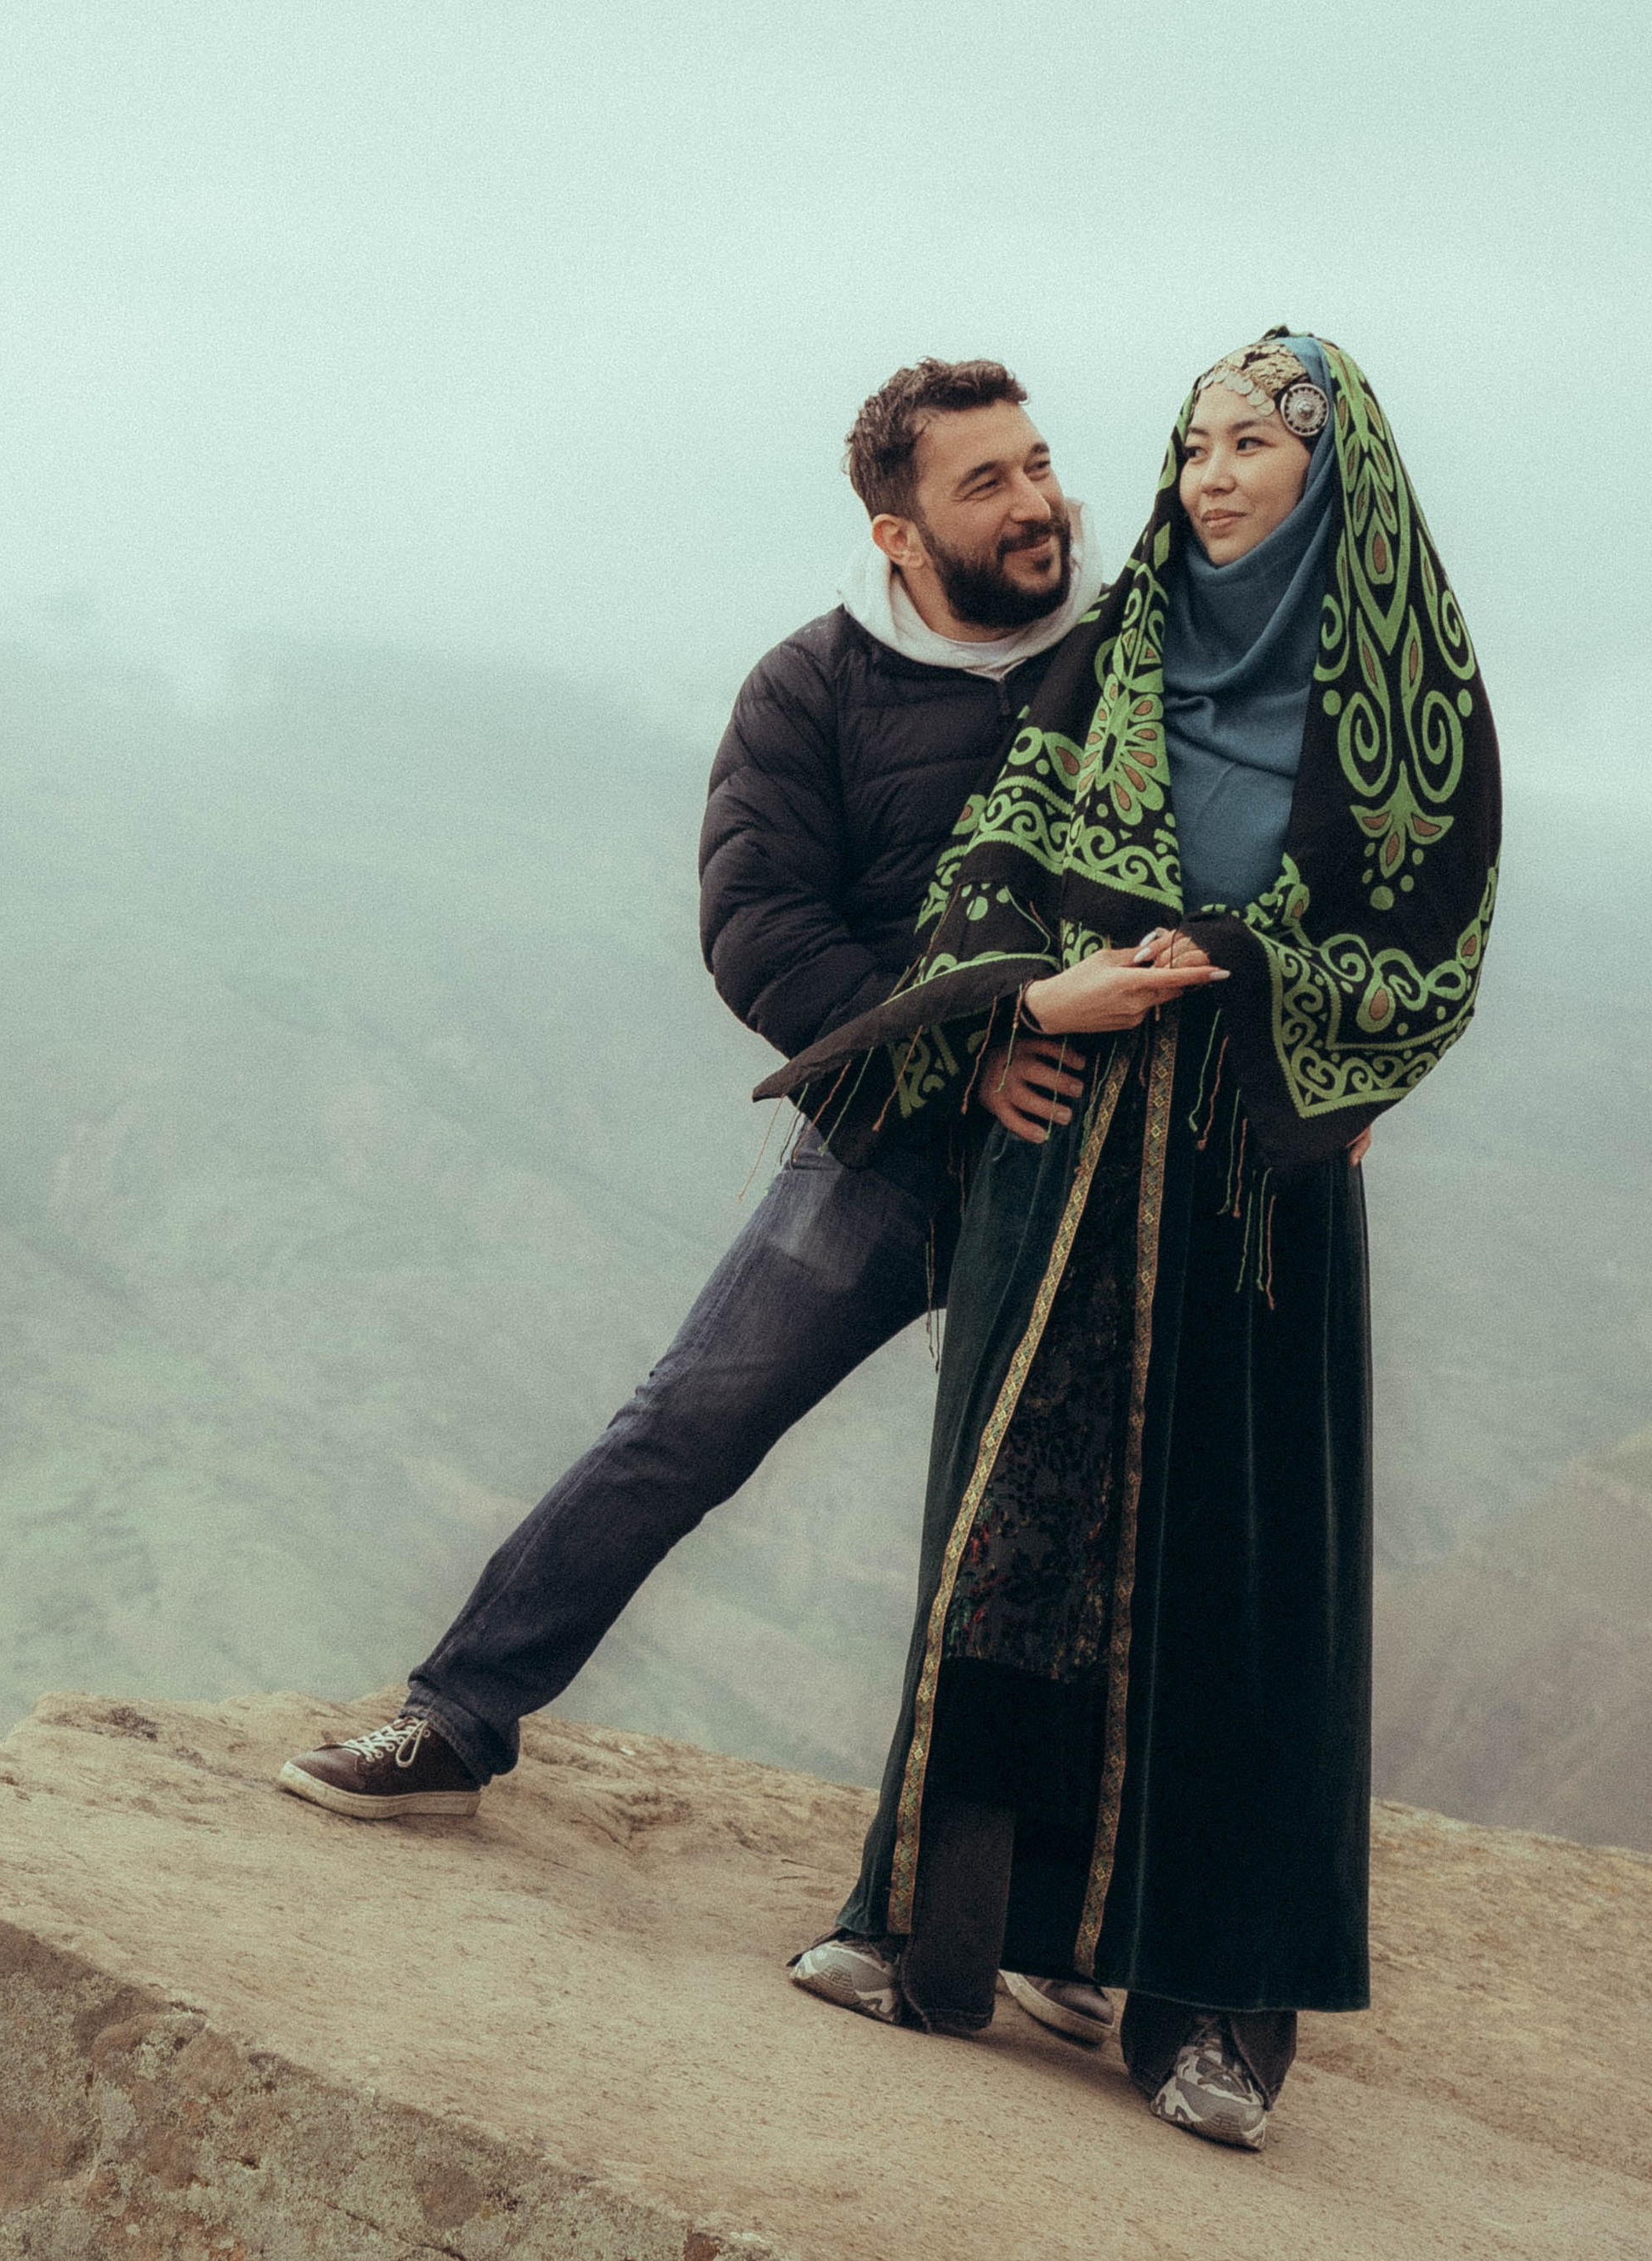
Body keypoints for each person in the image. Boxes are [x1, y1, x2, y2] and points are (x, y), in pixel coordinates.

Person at [777, 332, 1502, 2148]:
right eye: (1191, 445)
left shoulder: (1407, 695)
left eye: (1252, 443)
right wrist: (1026, 1004)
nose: (1208, 477)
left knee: (1232, 1590)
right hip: (1073, 1156)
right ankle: (932, 1934)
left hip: (1259, 1188)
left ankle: (1203, 2015)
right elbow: (990, 868)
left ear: (1333, 470)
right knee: (1014, 1546)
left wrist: (1258, 985)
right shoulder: (1114, 654)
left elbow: (1428, 955)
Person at [279, 355, 1101, 1819]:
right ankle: (457, 1721)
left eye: (1038, 465)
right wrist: (963, 1057)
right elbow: (760, 927)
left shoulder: (1135, 667)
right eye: (988, 483)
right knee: (685, 1425)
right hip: (893, 1139)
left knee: (1088, 1530)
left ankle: (1064, 1911)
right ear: (897, 536)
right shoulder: (814, 687)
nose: (1037, 505)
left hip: (1097, 1159)